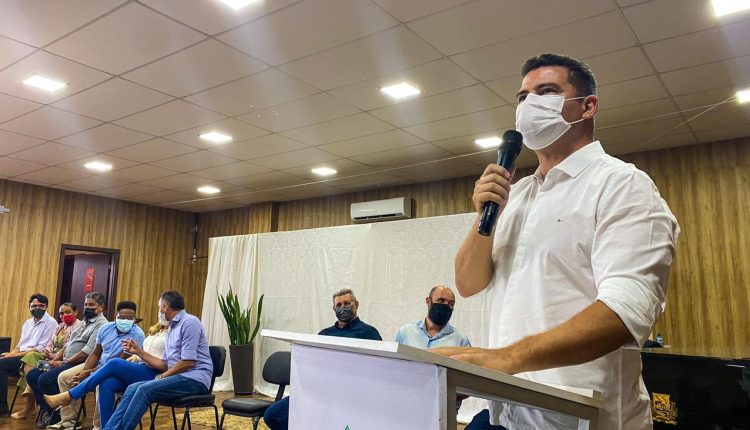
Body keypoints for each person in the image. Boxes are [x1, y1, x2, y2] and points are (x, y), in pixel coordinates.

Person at [431, 53, 680, 429]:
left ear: (587, 106)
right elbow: (468, 283)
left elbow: (624, 312)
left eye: (546, 91)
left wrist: (503, 359)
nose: (529, 104)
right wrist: (485, 214)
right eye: (523, 97)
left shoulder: (621, 185)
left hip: (584, 419)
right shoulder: (516, 195)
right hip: (509, 413)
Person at [263, 288, 382, 429]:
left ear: (356, 304)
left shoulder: (369, 333)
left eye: (347, 303)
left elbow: (378, 370)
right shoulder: (324, 334)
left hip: (349, 396)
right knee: (273, 415)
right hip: (318, 392)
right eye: (338, 305)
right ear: (333, 309)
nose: (343, 307)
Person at [95, 291, 212, 430]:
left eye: (159, 307)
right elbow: (164, 364)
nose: (159, 311)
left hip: (195, 379)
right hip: (178, 377)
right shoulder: (172, 327)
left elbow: (188, 362)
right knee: (133, 388)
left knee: (144, 390)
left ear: (165, 307)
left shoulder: (189, 322)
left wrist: (162, 377)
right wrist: (139, 352)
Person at [45, 307, 169, 429]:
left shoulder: (147, 333)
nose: (161, 312)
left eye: (129, 318)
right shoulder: (156, 330)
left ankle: (71, 395)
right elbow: (96, 353)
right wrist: (136, 356)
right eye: (160, 309)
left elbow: (166, 362)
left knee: (114, 363)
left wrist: (139, 353)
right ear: (115, 316)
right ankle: (106, 427)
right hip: (137, 366)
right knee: (106, 382)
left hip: (155, 373)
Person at [26, 292, 108, 427]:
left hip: (80, 363)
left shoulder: (101, 325)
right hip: (65, 360)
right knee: (32, 375)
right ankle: (50, 412)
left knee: (45, 379)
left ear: (101, 307)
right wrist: (56, 359)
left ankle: (58, 416)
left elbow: (87, 352)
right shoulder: (84, 322)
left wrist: (64, 363)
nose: (87, 307)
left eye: (91, 305)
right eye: (86, 304)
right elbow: (68, 345)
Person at [10, 303, 81, 420]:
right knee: (32, 374)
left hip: (63, 360)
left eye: (67, 312)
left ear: (76, 312)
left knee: (40, 374)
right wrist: (48, 352)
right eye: (61, 313)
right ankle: (46, 408)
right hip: (51, 358)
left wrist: (54, 356)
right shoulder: (60, 326)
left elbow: (68, 347)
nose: (64, 315)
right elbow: (50, 343)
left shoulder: (79, 326)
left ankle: (50, 412)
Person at [0, 294, 58, 415]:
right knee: (2, 360)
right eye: (34, 306)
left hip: (37, 357)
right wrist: (10, 354)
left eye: (41, 306)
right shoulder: (27, 323)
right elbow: (20, 345)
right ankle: (2, 406)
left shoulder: (51, 323)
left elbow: (40, 349)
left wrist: (12, 356)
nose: (37, 308)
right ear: (29, 307)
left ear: (46, 307)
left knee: (1, 364)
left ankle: (2, 407)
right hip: (22, 355)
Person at [394, 285, 470, 349]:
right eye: (441, 300)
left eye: (451, 304)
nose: (446, 306)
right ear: (428, 302)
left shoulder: (460, 340)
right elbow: (392, 360)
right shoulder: (406, 332)